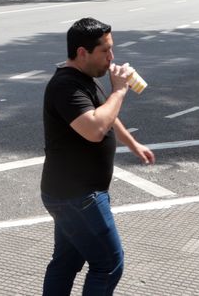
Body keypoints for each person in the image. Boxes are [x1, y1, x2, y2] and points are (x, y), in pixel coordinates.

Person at [41, 18, 153, 295]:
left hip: (70, 193)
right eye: (105, 51)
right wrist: (119, 91)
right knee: (109, 263)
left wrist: (132, 143)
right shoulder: (66, 86)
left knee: (66, 261)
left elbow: (108, 117)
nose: (112, 58)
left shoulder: (84, 80)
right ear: (82, 53)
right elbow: (95, 128)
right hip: (78, 197)